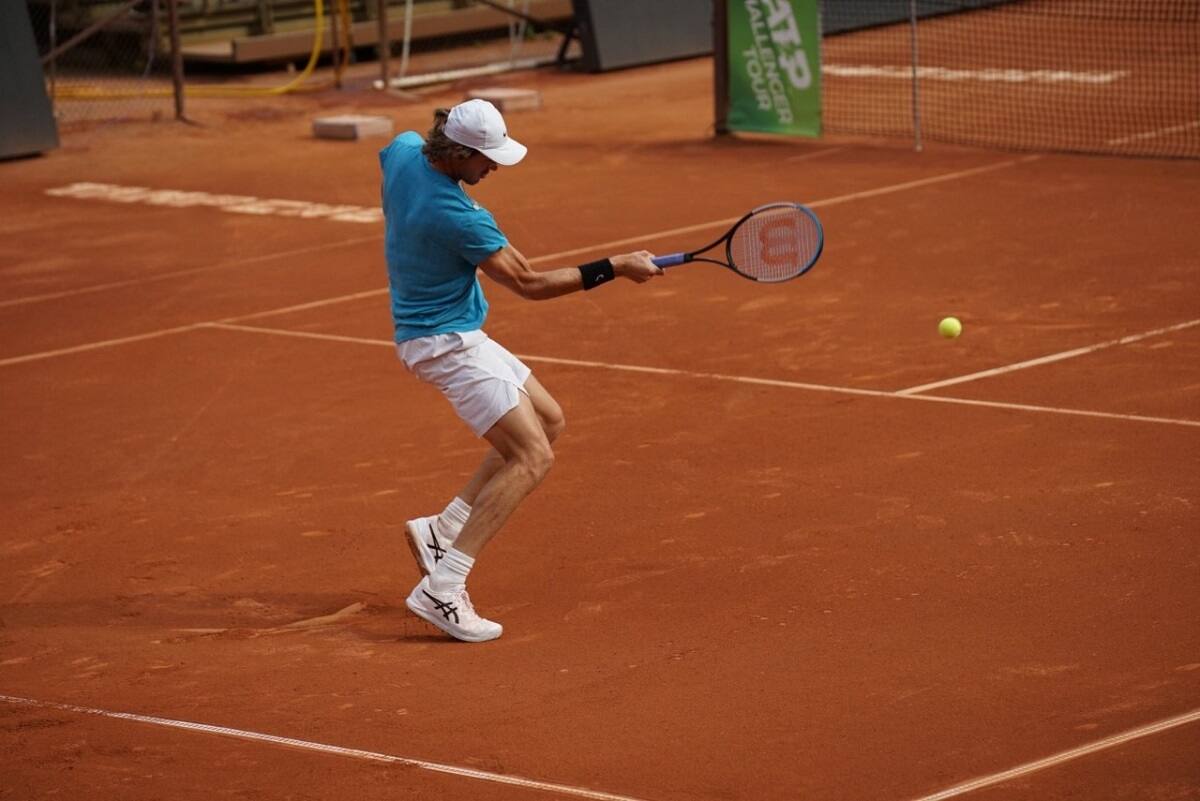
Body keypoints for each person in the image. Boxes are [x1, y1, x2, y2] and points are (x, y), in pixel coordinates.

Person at [380, 99, 663, 643]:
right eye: (486, 158)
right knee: (533, 457)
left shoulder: (404, 152)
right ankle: (443, 587)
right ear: (456, 151)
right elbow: (530, 283)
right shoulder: (460, 217)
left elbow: (400, 164)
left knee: (549, 420)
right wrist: (616, 266)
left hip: (449, 329)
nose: (493, 167)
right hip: (446, 344)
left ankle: (443, 529)